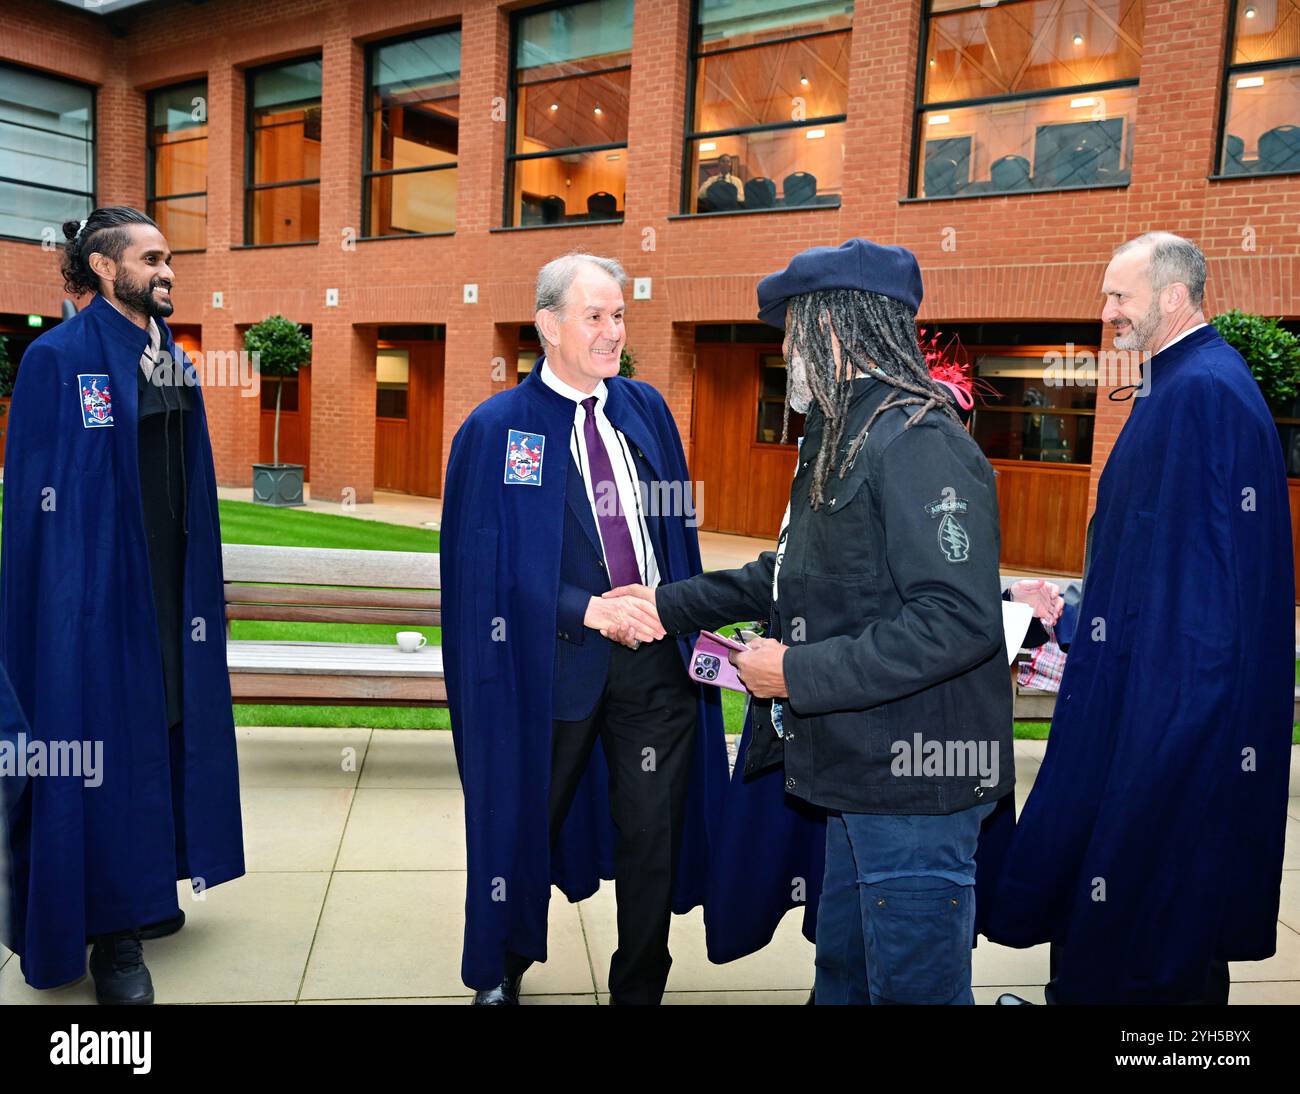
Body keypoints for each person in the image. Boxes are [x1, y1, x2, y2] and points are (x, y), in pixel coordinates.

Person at [610, 238, 1014, 1004]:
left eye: (794, 327)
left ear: (835, 329)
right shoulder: (845, 432)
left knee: (911, 991)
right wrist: (664, 605)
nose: (787, 346)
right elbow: (793, 572)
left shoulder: (917, 442)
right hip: (863, 775)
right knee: (845, 979)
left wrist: (793, 673)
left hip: (919, 785)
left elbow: (957, 621)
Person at [989, 232, 1295, 1005]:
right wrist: (1077, 614)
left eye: (1118, 297)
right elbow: (1164, 563)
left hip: (1168, 708)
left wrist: (1158, 725)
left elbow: (1200, 602)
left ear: (1170, 296)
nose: (1108, 312)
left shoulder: (1202, 394)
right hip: (1155, 689)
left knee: (1149, 892)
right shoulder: (1186, 382)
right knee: (1151, 896)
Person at [441, 252, 727, 1005]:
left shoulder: (646, 409)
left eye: (620, 315)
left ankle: (640, 986)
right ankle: (502, 967)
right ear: (549, 326)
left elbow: (673, 527)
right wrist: (587, 608)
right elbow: (483, 567)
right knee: (522, 826)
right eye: (595, 316)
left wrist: (676, 607)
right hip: (548, 670)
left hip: (653, 669)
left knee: (650, 834)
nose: (612, 332)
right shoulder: (499, 429)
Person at [0, 206, 244, 1004]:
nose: (168, 271)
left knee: (164, 737)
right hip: (96, 611)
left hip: (171, 599)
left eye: (169, 258)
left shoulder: (169, 355)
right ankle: (115, 938)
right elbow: (40, 511)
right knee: (106, 760)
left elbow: (190, 492)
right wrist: (68, 614)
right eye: (153, 258)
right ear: (105, 269)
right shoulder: (56, 360)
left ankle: (149, 890)